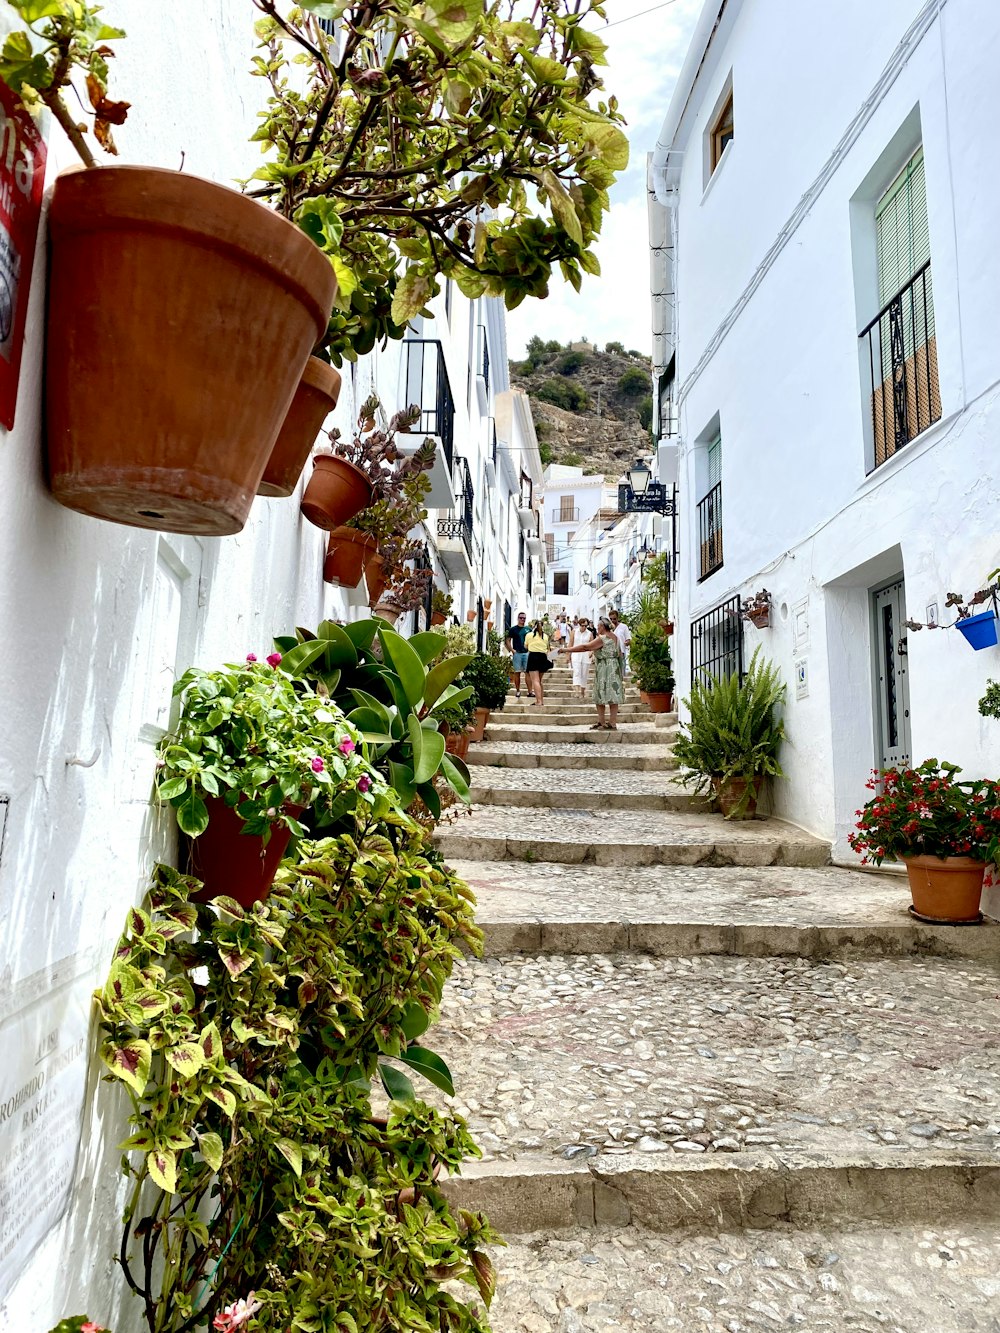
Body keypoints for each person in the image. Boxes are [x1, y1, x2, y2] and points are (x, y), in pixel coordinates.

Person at [561, 616, 625, 729]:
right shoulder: (616, 637)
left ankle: (602, 721)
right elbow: (620, 653)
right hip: (614, 667)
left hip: (604, 668)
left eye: (598, 626)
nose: (597, 628)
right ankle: (612, 722)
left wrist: (567, 650)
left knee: (600, 693)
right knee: (613, 695)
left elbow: (585, 647)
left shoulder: (602, 638)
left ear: (602, 627)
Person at [524, 619, 551, 706]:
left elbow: (526, 646)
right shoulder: (545, 636)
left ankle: (538, 701)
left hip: (533, 656)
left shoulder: (529, 635)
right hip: (543, 657)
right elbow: (547, 648)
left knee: (535, 680)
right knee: (539, 681)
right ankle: (541, 700)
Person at [505, 611, 530, 698]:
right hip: (517, 653)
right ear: (518, 618)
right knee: (517, 673)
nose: (522, 619)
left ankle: (530, 691)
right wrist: (512, 650)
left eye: (524, 618)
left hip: (526, 653)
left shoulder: (528, 629)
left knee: (528, 673)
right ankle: (518, 690)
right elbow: (508, 640)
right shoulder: (513, 629)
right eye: (521, 618)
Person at [570, 617, 595, 699]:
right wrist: (568, 655)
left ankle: (582, 691)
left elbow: (592, 645)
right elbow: (571, 643)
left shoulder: (589, 633)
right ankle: (577, 691)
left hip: (585, 655)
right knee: (577, 672)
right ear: (579, 625)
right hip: (576, 654)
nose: (584, 627)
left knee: (584, 674)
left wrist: (591, 653)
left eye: (586, 626)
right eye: (582, 625)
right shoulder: (574, 632)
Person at [608, 609, 632, 678]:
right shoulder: (608, 628)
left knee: (621, 673)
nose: (613, 621)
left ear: (618, 618)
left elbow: (628, 639)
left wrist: (626, 642)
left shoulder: (624, 627)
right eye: (611, 619)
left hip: (621, 652)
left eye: (614, 619)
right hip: (611, 653)